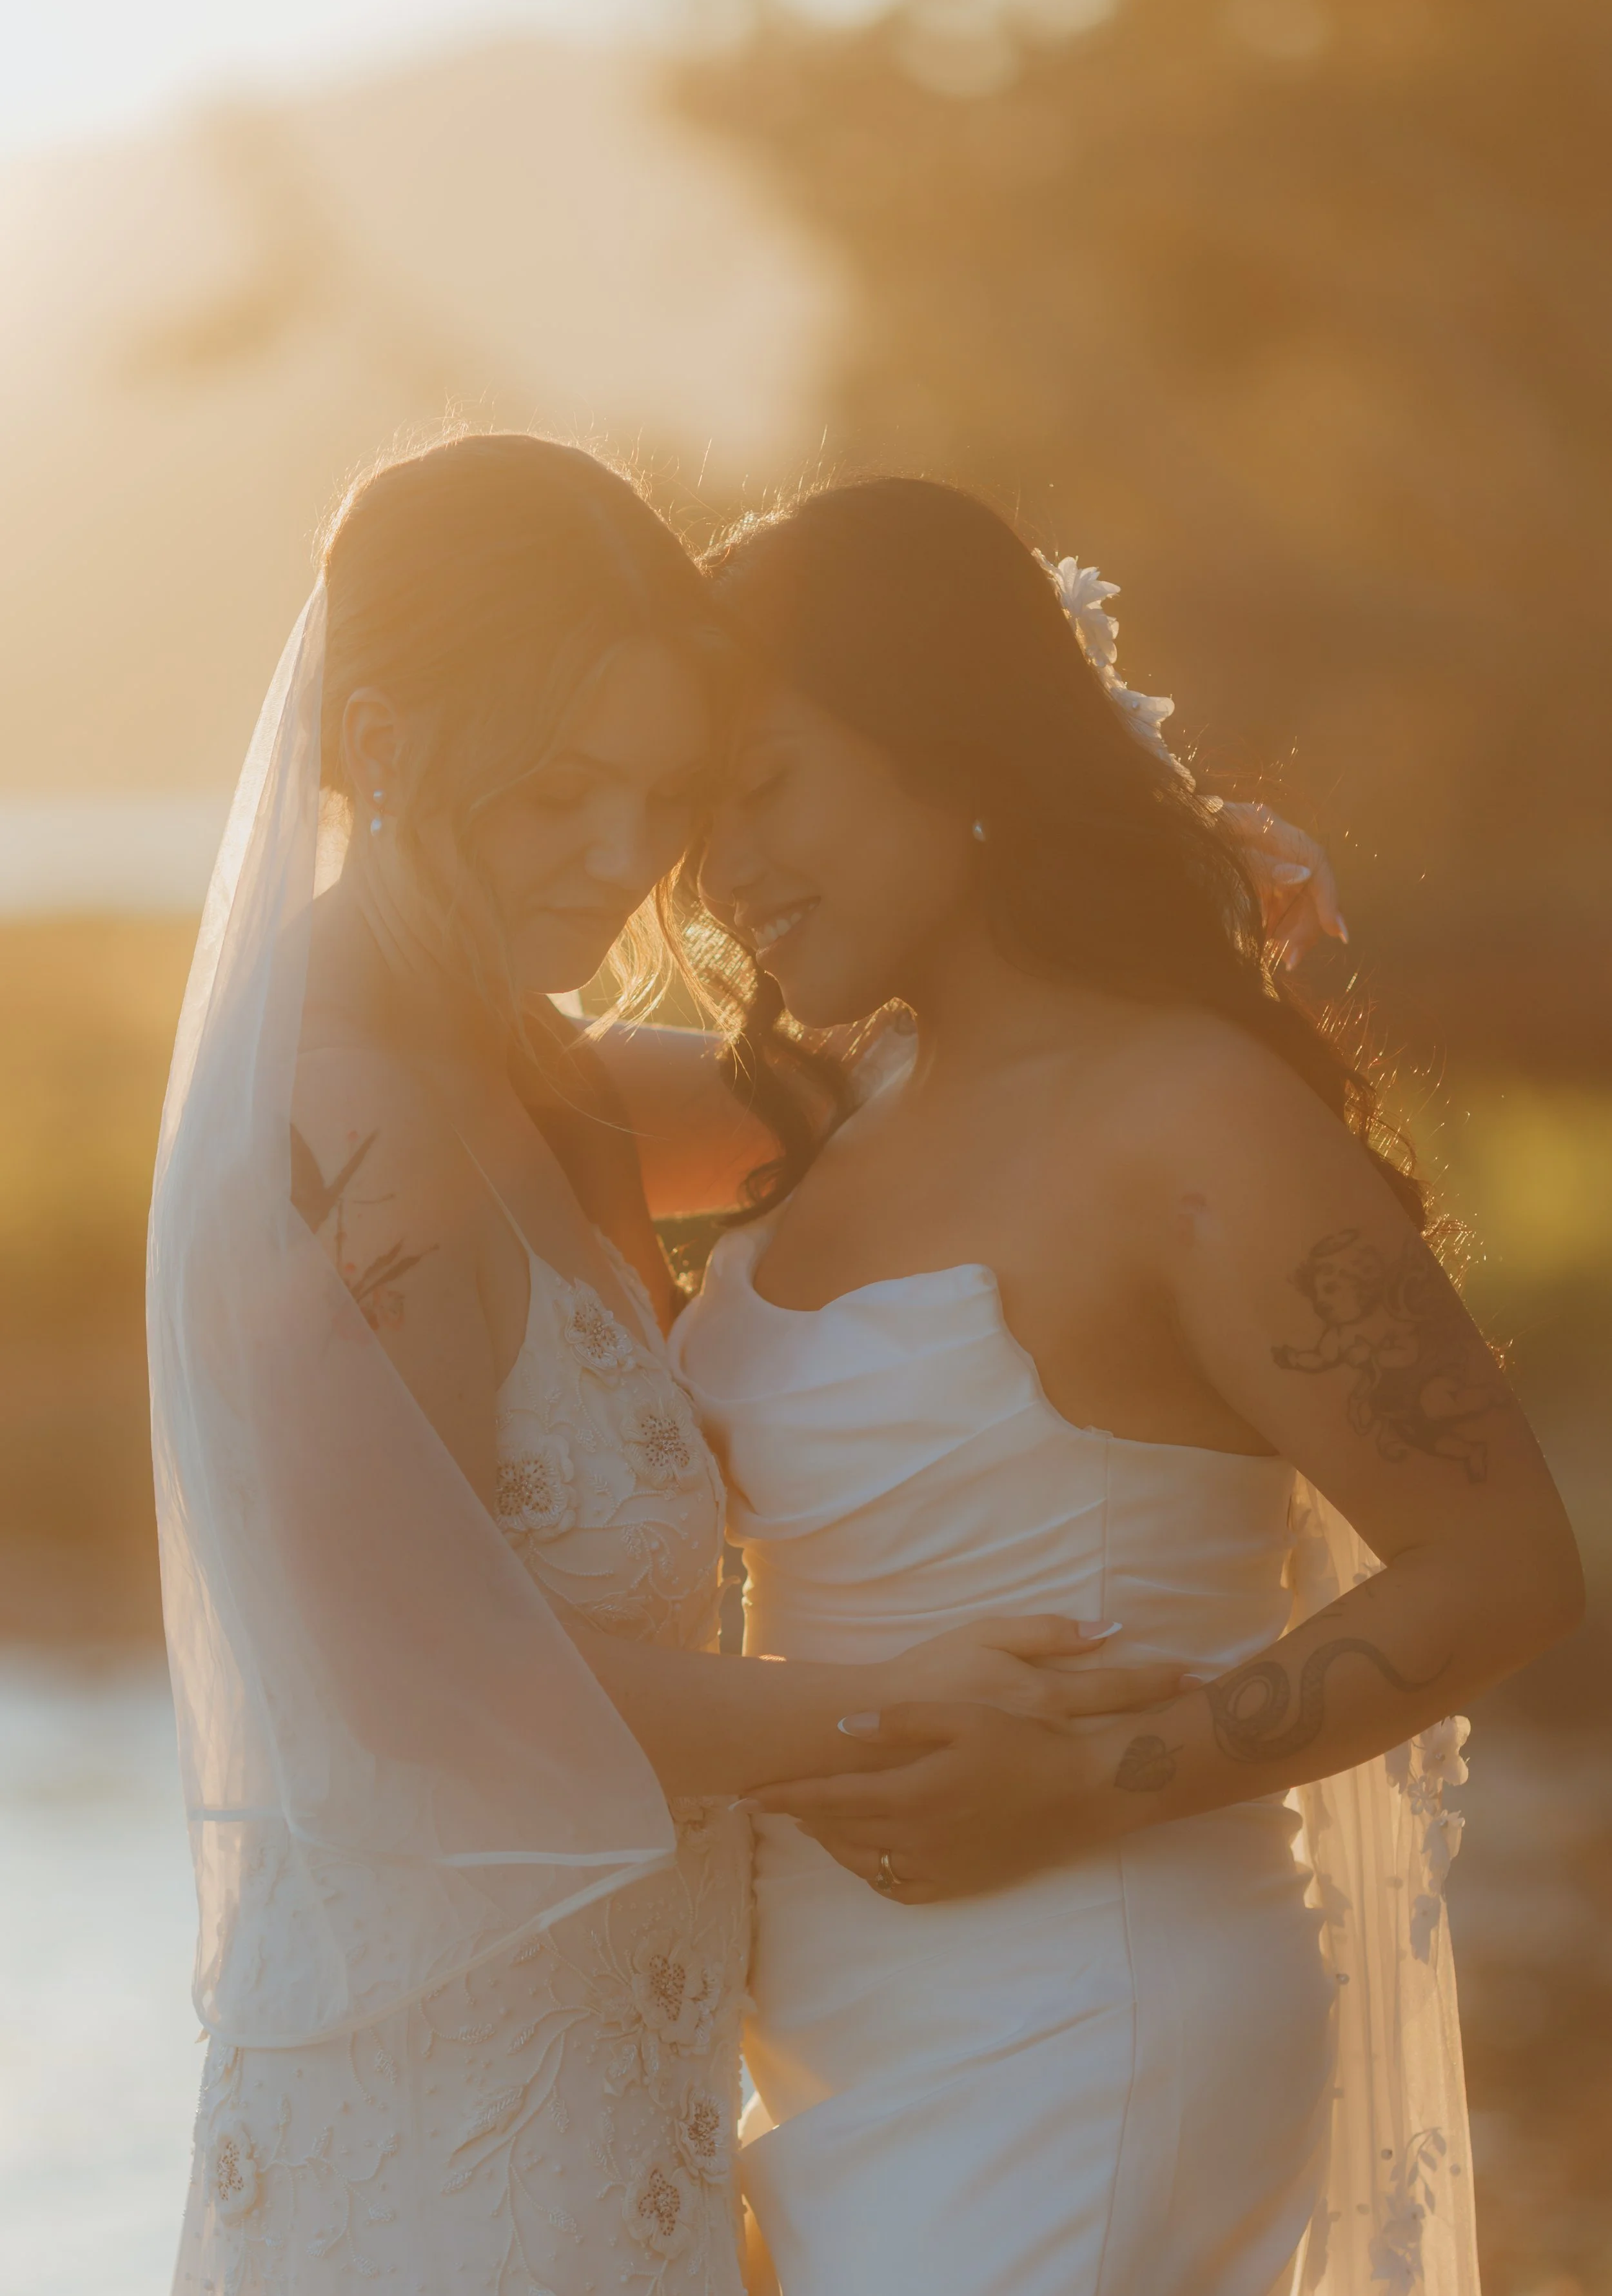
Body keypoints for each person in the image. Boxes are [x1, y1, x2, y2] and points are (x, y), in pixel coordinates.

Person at [152, 438, 1153, 2296]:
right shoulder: (330, 1138)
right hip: (445, 2146)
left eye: (664, 795)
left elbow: (876, 1098)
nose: (623, 864)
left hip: (623, 2099)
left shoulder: (524, 1074)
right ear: (375, 739)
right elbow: (426, 1701)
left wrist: (1147, 882)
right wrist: (880, 1701)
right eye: (556, 794)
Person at [648, 479, 1585, 2296]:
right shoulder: (847, 1107)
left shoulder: (1187, 1113)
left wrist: (1102, 1778)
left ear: (946, 738)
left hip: (1091, 2004)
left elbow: (1501, 1567)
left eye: (764, 788)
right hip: (844, 2038)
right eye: (694, 823)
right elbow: (439, 1081)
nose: (722, 873)